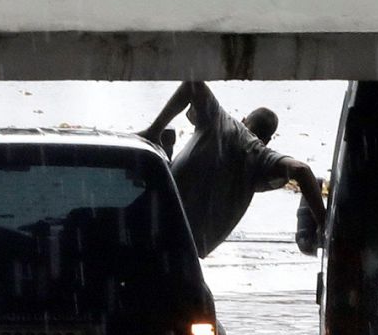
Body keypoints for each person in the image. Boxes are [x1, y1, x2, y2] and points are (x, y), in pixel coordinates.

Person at [139, 81, 327, 258]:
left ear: (244, 119)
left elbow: (192, 83)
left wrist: (153, 131)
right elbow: (301, 170)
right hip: (186, 247)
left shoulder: (219, 121)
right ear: (267, 139)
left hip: (151, 223)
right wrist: (323, 223)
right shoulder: (261, 158)